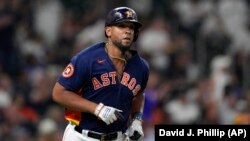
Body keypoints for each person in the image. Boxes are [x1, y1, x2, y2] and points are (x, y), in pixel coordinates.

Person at [52, 6, 149, 141]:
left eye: (131, 27)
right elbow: (59, 93)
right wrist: (96, 109)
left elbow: (138, 94)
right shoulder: (87, 58)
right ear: (108, 31)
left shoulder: (141, 67)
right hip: (81, 136)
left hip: (118, 138)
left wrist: (137, 120)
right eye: (122, 26)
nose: (128, 31)